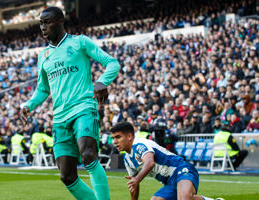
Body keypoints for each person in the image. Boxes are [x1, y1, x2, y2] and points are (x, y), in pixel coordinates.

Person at [20, 6, 119, 200]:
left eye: (47, 22)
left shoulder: (80, 42)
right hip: (60, 118)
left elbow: (112, 63)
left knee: (89, 155)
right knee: (66, 175)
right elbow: (43, 89)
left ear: (60, 22)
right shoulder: (43, 56)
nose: (43, 27)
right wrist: (28, 105)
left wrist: (101, 81)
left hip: (83, 108)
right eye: (41, 23)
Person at [110, 122, 221, 200]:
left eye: (118, 137)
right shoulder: (127, 159)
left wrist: (137, 179)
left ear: (129, 136)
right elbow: (134, 184)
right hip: (169, 181)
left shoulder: (139, 144)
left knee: (184, 199)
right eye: (113, 138)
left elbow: (150, 162)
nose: (114, 141)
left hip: (181, 169)